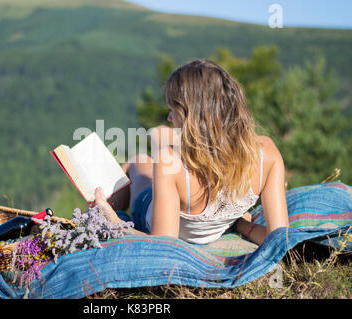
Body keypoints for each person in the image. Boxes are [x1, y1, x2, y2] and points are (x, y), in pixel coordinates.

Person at [90, 58, 289, 246]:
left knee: (138, 162)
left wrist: (113, 221)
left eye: (173, 110)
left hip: (156, 205)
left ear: (190, 115)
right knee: (158, 139)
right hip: (217, 217)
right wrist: (241, 225)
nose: (169, 116)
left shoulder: (168, 160)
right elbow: (279, 238)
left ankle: (97, 208)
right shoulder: (267, 153)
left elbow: (163, 246)